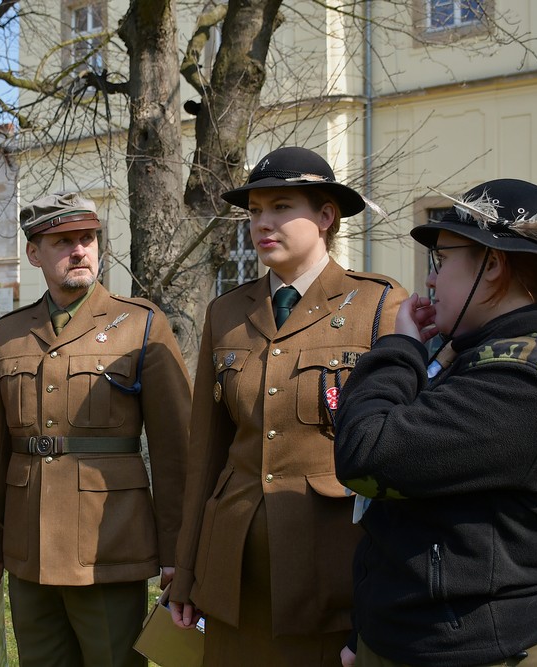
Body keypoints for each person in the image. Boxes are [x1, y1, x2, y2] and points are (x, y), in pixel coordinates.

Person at [334, 178, 537, 667]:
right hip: (428, 642)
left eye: (441, 260)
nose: (430, 280)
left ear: (493, 265)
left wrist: (399, 348)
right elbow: (414, 518)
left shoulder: (521, 378)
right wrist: (367, 633)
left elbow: (366, 454)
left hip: (477, 652)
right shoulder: (488, 353)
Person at [168, 146, 408, 665]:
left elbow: (401, 458)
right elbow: (205, 455)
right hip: (232, 572)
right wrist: (185, 572)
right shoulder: (226, 313)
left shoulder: (378, 305)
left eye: (281, 207)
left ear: (326, 216)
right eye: (255, 211)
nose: (263, 223)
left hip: (331, 575)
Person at [0, 193, 192, 667]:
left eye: (87, 239)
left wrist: (179, 551)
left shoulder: (140, 324)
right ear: (34, 253)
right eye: (63, 242)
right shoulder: (9, 333)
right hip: (29, 547)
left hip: (108, 545)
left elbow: (177, 453)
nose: (79, 251)